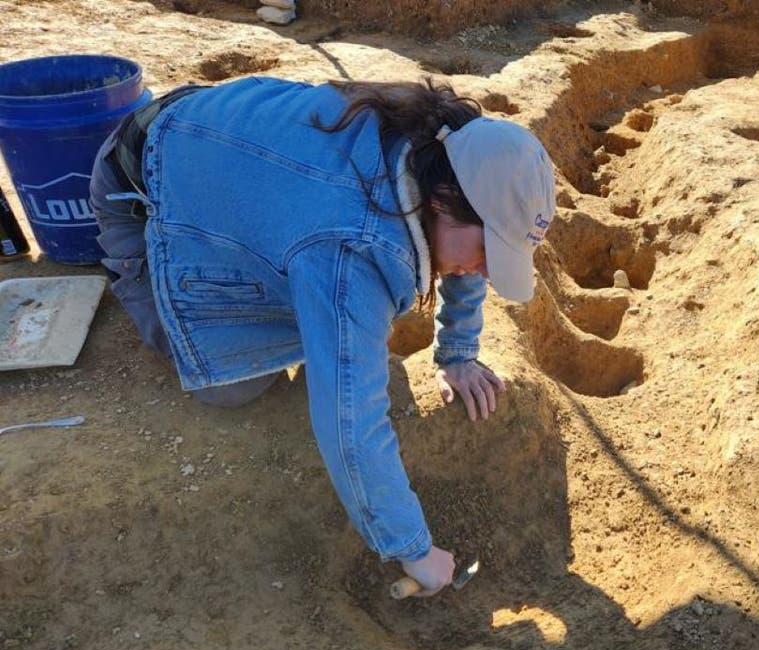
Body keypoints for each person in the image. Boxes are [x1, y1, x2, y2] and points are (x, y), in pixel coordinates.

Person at [88, 76, 557, 597]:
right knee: (233, 386)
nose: (485, 271)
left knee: (341, 318)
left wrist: (460, 351)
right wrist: (413, 549)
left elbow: (466, 257)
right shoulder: (349, 249)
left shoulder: (450, 148)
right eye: (489, 252)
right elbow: (348, 422)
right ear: (445, 201)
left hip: (221, 141)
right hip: (147, 179)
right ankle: (138, 268)